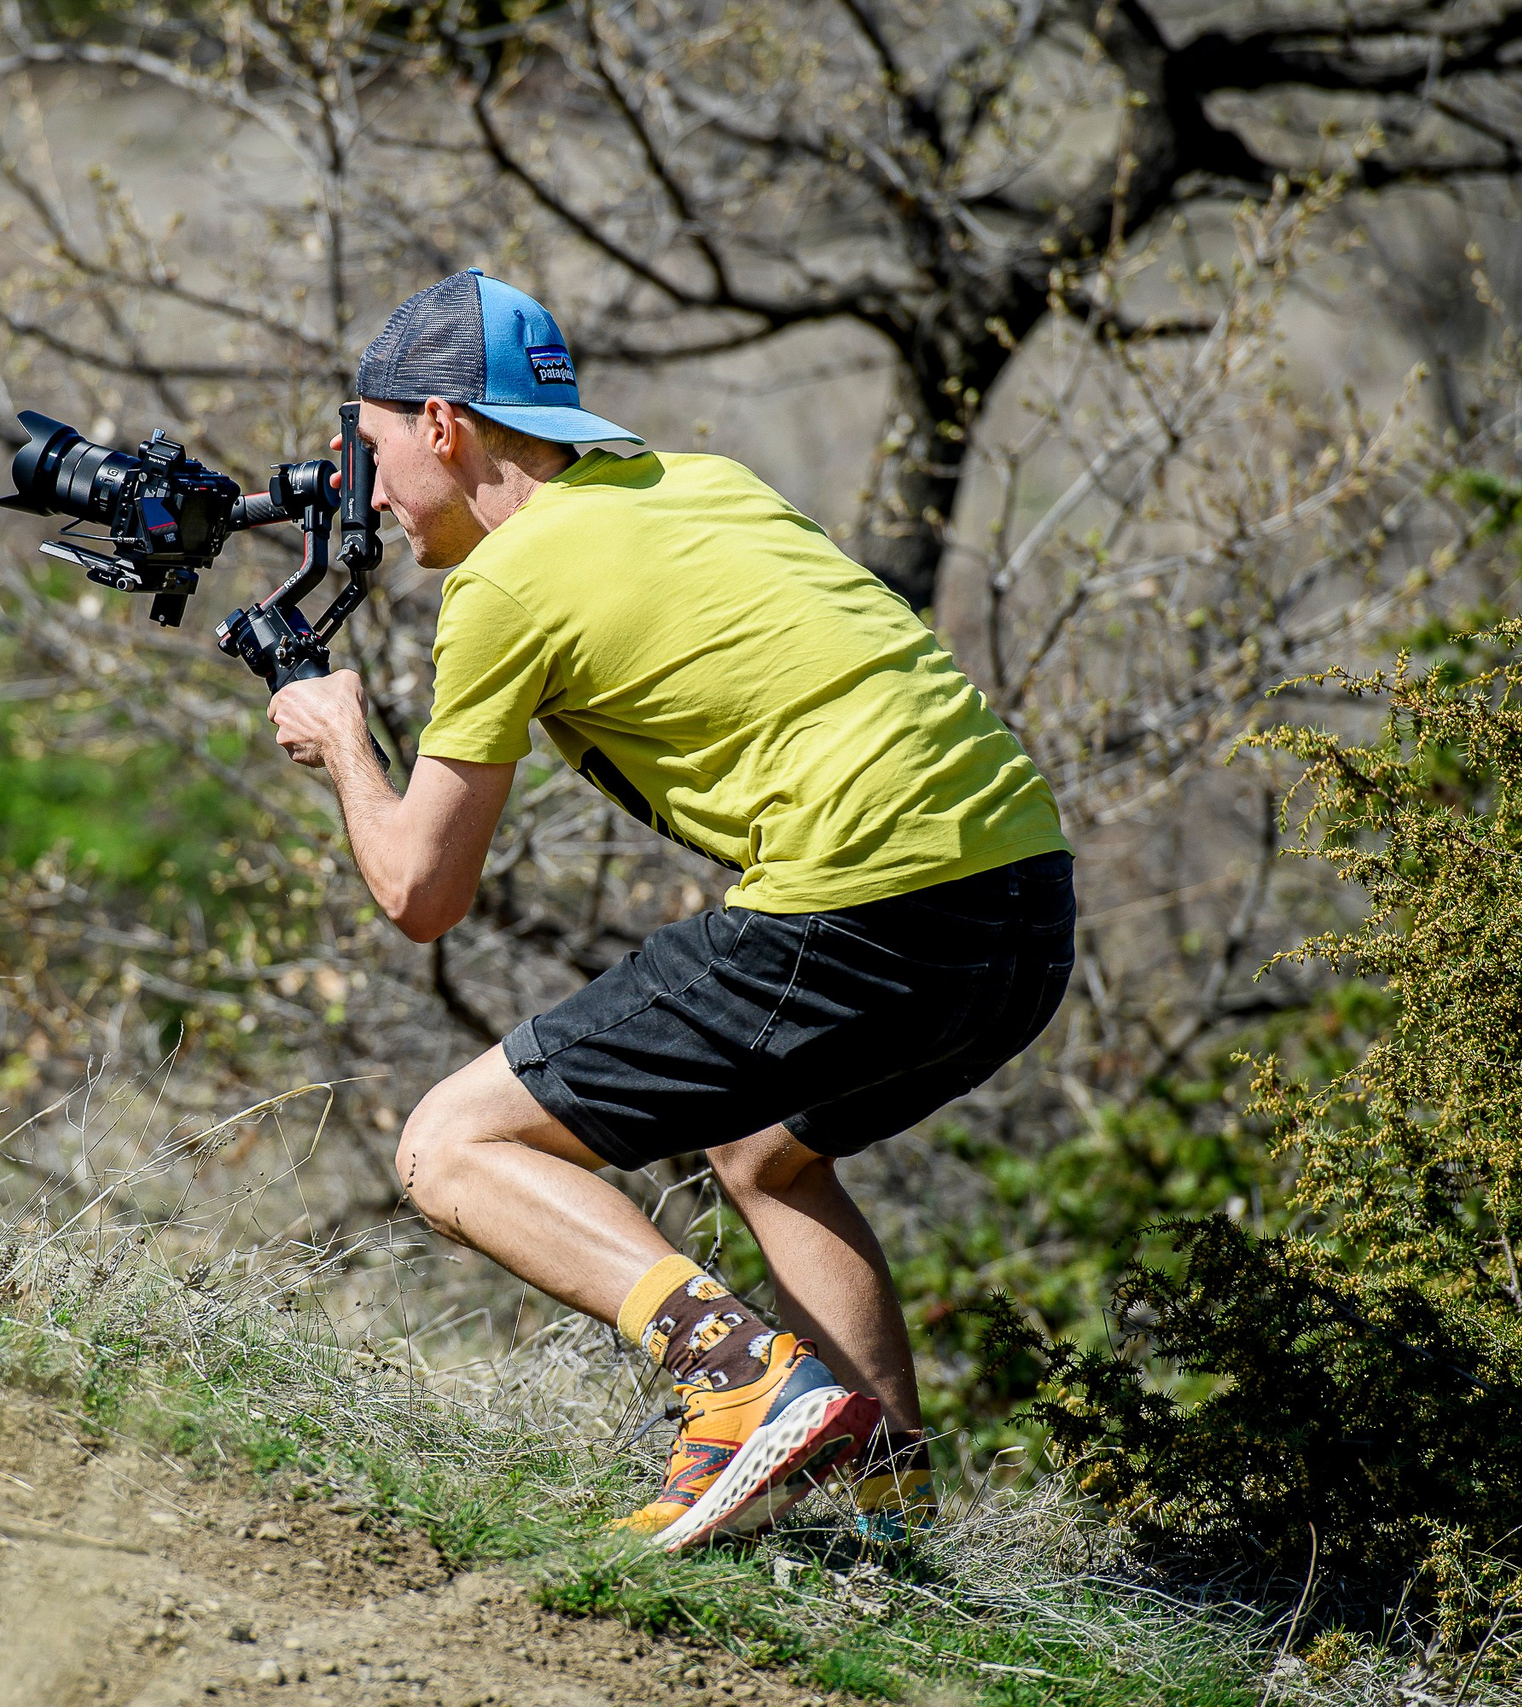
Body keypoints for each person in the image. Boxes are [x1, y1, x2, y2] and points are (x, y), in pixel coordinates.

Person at [268, 269, 1075, 1551]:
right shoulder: (700, 481)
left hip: (866, 894)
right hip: (1024, 897)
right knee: (766, 1149)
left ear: (441, 425)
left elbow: (420, 895)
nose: (364, 495)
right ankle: (875, 1494)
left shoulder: (507, 583)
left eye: (370, 452)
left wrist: (343, 740)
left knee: (449, 1145)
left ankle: (743, 1383)